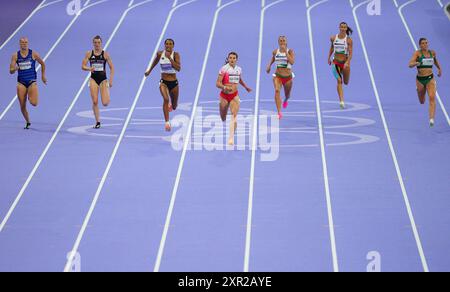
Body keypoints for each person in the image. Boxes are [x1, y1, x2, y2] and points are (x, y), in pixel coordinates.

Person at [9, 37, 47, 129]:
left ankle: (30, 95)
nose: (24, 44)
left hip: (31, 82)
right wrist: (15, 68)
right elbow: (11, 71)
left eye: (26, 42)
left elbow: (42, 63)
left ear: (28, 43)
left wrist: (43, 76)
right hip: (21, 83)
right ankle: (28, 121)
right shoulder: (15, 56)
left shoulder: (33, 54)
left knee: (34, 103)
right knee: (22, 105)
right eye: (22, 42)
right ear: (20, 44)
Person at [216, 52, 252, 146]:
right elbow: (218, 83)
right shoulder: (224, 69)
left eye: (234, 58)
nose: (232, 59)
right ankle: (223, 115)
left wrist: (245, 87)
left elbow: (239, 79)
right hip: (224, 96)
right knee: (223, 117)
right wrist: (224, 87)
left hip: (234, 96)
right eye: (230, 58)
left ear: (236, 59)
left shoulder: (239, 69)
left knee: (234, 115)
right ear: (228, 59)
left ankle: (231, 137)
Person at [145, 39, 181, 132]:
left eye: (170, 44)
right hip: (163, 82)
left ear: (173, 46)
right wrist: (149, 71)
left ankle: (171, 106)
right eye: (166, 44)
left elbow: (178, 68)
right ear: (164, 45)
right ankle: (167, 122)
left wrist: (170, 58)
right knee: (165, 99)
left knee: (174, 106)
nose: (168, 45)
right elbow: (155, 62)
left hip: (174, 83)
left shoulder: (176, 55)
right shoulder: (160, 54)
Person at [82, 35, 114, 129]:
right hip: (93, 79)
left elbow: (112, 68)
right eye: (95, 42)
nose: (97, 44)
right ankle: (97, 121)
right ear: (93, 43)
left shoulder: (105, 54)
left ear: (101, 43)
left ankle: (106, 91)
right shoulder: (89, 54)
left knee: (105, 103)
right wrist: (89, 68)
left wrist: (111, 80)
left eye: (98, 42)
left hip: (103, 80)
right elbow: (83, 66)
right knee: (95, 101)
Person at [408, 38, 442, 127]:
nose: (425, 44)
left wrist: (439, 68)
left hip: (430, 78)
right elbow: (410, 64)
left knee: (432, 97)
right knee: (422, 101)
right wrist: (417, 63)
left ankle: (431, 119)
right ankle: (418, 90)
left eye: (426, 43)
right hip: (420, 80)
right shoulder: (417, 53)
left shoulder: (432, 53)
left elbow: (435, 61)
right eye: (423, 43)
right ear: (420, 45)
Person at [266, 36, 295, 119]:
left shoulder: (290, 51)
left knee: (287, 94)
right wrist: (269, 66)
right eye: (280, 41)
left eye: (283, 40)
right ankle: (279, 111)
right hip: (278, 76)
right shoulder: (275, 51)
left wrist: (285, 51)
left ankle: (286, 99)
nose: (282, 42)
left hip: (288, 77)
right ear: (278, 42)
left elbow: (292, 62)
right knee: (277, 90)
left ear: (286, 42)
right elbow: (273, 58)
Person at [327, 22, 353, 109]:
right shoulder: (333, 38)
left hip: (345, 63)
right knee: (339, 81)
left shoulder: (349, 40)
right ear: (339, 27)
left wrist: (347, 62)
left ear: (346, 28)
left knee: (346, 82)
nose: (342, 28)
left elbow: (350, 53)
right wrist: (328, 57)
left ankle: (344, 73)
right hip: (336, 63)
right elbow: (332, 47)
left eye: (344, 27)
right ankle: (341, 101)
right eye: (341, 27)